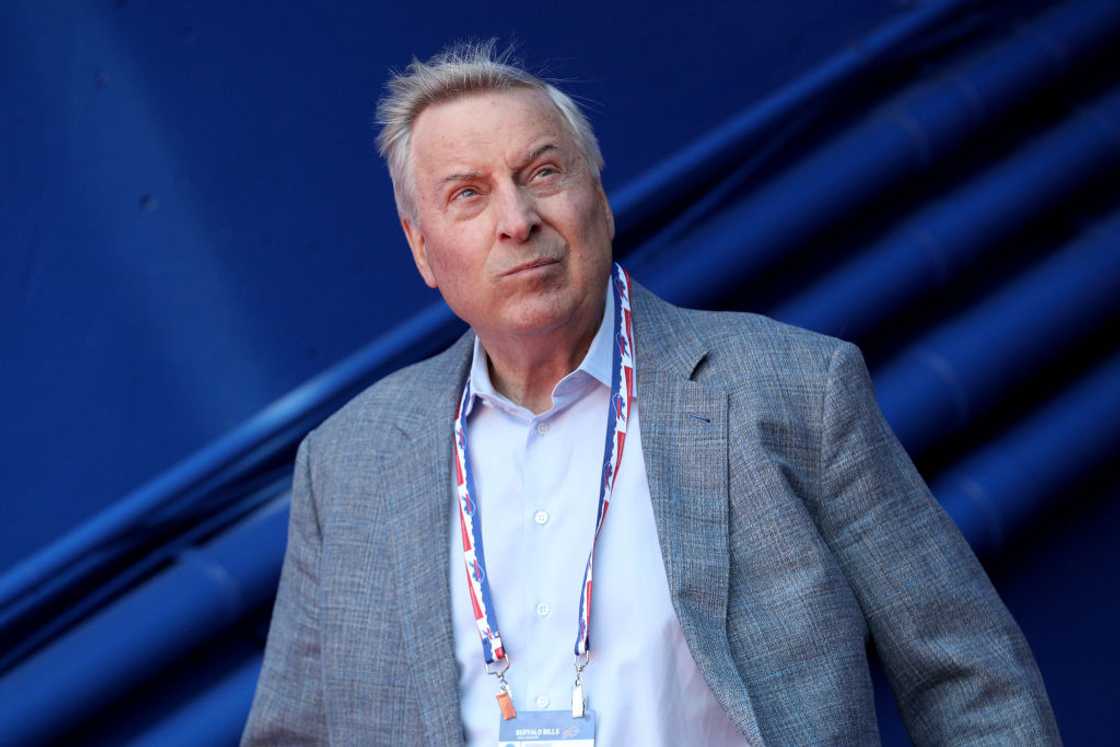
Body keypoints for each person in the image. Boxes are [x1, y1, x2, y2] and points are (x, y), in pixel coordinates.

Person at [241, 41, 1060, 746]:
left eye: (543, 172)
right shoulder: (345, 464)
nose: (517, 219)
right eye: (469, 193)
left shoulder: (797, 390)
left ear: (597, 196)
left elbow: (971, 675)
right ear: (423, 250)